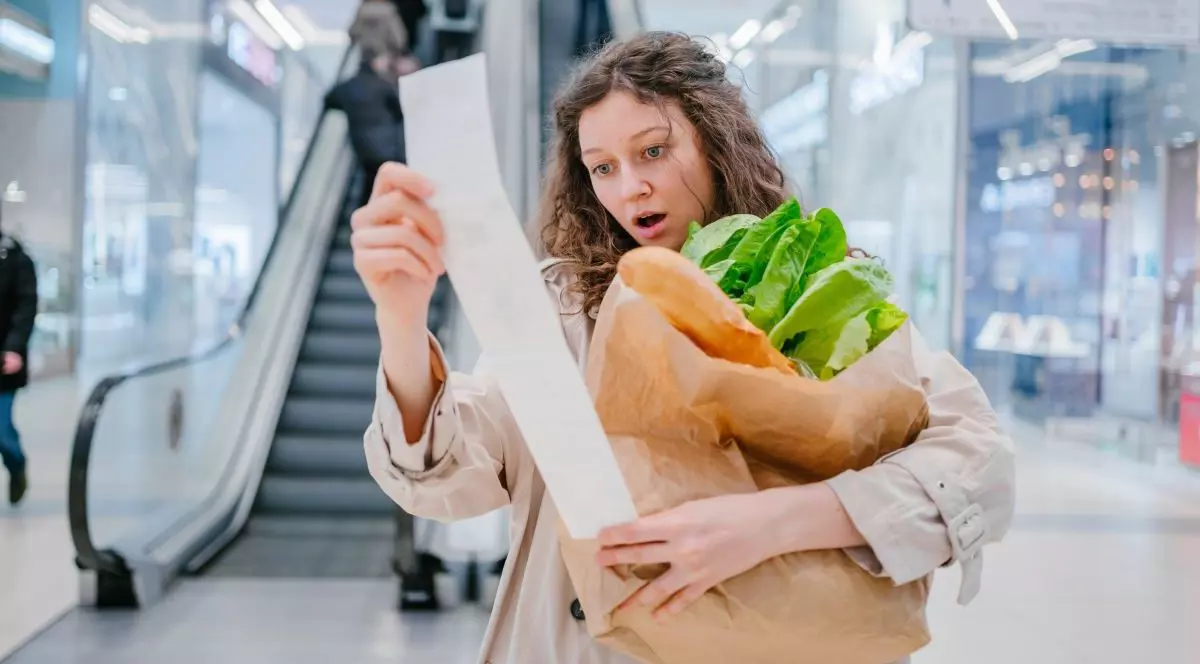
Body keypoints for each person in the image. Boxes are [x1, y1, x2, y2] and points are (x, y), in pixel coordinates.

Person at [354, 32, 1016, 664]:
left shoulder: (820, 288)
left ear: (716, 142)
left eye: (652, 151)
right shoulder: (560, 313)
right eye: (602, 168)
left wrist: (777, 521)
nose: (629, 188)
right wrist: (401, 321)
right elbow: (447, 477)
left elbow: (978, 465)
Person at [324, 47, 408, 209]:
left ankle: (364, 219)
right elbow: (400, 111)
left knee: (371, 183)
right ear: (374, 63)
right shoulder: (382, 85)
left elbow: (329, 100)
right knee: (389, 181)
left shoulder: (348, 86)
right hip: (387, 146)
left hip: (363, 148)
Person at [0, 222, 37, 506]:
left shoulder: (15, 259)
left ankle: (16, 464)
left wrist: (14, 349)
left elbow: (26, 307)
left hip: (3, 361)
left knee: (1, 429)